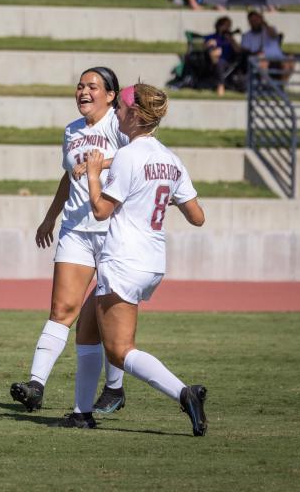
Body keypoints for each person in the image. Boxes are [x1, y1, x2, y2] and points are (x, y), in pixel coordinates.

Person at [74, 83, 208, 435]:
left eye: (121, 106)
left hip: (123, 259)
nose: (116, 110)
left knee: (119, 352)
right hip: (152, 261)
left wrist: (92, 176)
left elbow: (102, 210)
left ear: (134, 114)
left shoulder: (130, 155)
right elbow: (197, 216)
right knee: (87, 329)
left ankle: (184, 392)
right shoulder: (170, 158)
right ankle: (80, 412)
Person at [9, 67, 129, 417]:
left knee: (109, 317)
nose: (84, 91)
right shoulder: (72, 130)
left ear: (111, 95)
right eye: (80, 86)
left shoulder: (120, 127)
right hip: (75, 230)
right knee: (61, 310)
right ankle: (35, 385)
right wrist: (51, 215)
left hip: (113, 231)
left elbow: (136, 158)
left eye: (93, 86)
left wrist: (98, 163)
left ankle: (115, 388)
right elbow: (68, 174)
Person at [241, 11, 293, 81]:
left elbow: (274, 35)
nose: (255, 22)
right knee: (262, 59)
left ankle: (281, 85)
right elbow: (244, 50)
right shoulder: (247, 35)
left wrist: (264, 24)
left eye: (256, 20)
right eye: (252, 21)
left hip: (277, 57)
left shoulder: (270, 30)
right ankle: (265, 83)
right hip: (260, 57)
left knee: (289, 60)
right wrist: (257, 51)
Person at [204, 16, 244, 96]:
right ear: (218, 26)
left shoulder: (230, 38)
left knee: (220, 62)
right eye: (224, 25)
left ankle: (220, 85)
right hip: (210, 61)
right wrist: (209, 44)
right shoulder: (211, 37)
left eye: (228, 26)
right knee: (215, 56)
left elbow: (238, 51)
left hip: (227, 61)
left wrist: (231, 40)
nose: (226, 28)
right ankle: (220, 85)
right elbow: (202, 46)